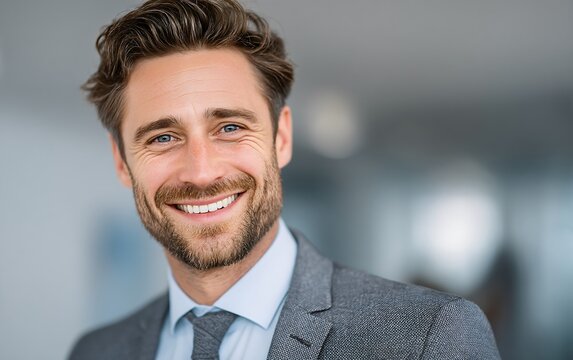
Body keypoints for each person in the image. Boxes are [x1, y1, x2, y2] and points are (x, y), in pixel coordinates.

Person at [68, 0, 501, 359]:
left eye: (231, 128)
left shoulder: (428, 337)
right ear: (122, 162)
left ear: (282, 138)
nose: (201, 172)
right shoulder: (96, 351)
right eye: (163, 137)